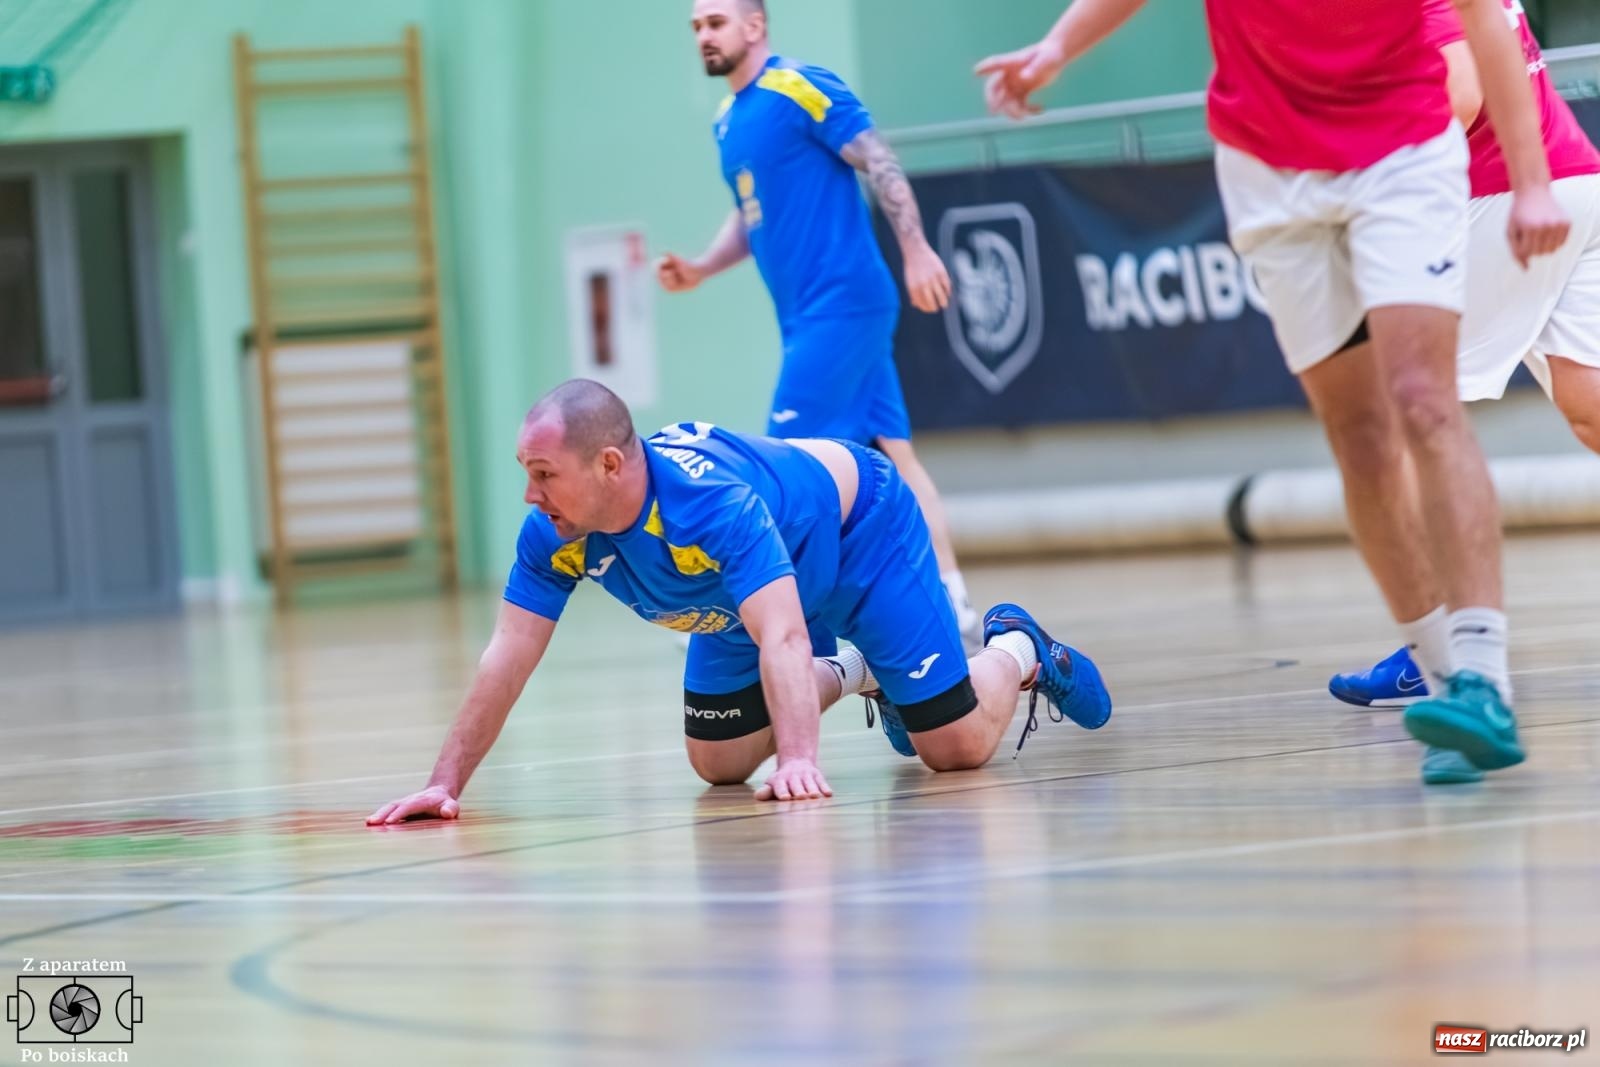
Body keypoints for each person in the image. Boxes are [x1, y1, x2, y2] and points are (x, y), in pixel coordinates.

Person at [975, 0, 1571, 784]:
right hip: (1270, 171)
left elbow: (1485, 21)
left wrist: (1533, 181)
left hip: (1402, 151)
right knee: (1359, 436)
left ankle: (1483, 682)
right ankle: (1440, 682)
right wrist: (1058, 46)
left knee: (1425, 399)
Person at [366, 380, 1112, 822]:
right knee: (718, 762)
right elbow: (509, 653)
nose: (531, 494)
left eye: (544, 473)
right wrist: (444, 782)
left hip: (860, 536)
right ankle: (866, 672)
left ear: (610, 464)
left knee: (952, 749)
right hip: (740, 606)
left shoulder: (709, 504)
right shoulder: (555, 531)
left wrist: (797, 761)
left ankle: (1017, 648)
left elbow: (785, 635)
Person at [1324, 0, 1600, 781]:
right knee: (1589, 404)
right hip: (1572, 180)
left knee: (1404, 417)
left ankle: (1442, 651)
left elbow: (1456, 91)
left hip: (1498, 196)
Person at [656, 0, 983, 651]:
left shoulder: (798, 87)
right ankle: (951, 596)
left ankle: (765, 611)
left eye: (715, 22)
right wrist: (700, 268)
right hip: (809, 316)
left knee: (782, 461)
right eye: (696, 26)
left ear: (754, 26)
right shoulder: (728, 121)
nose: (704, 35)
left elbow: (880, 161)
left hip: (844, 306)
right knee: (896, 453)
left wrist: (916, 250)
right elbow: (750, 215)